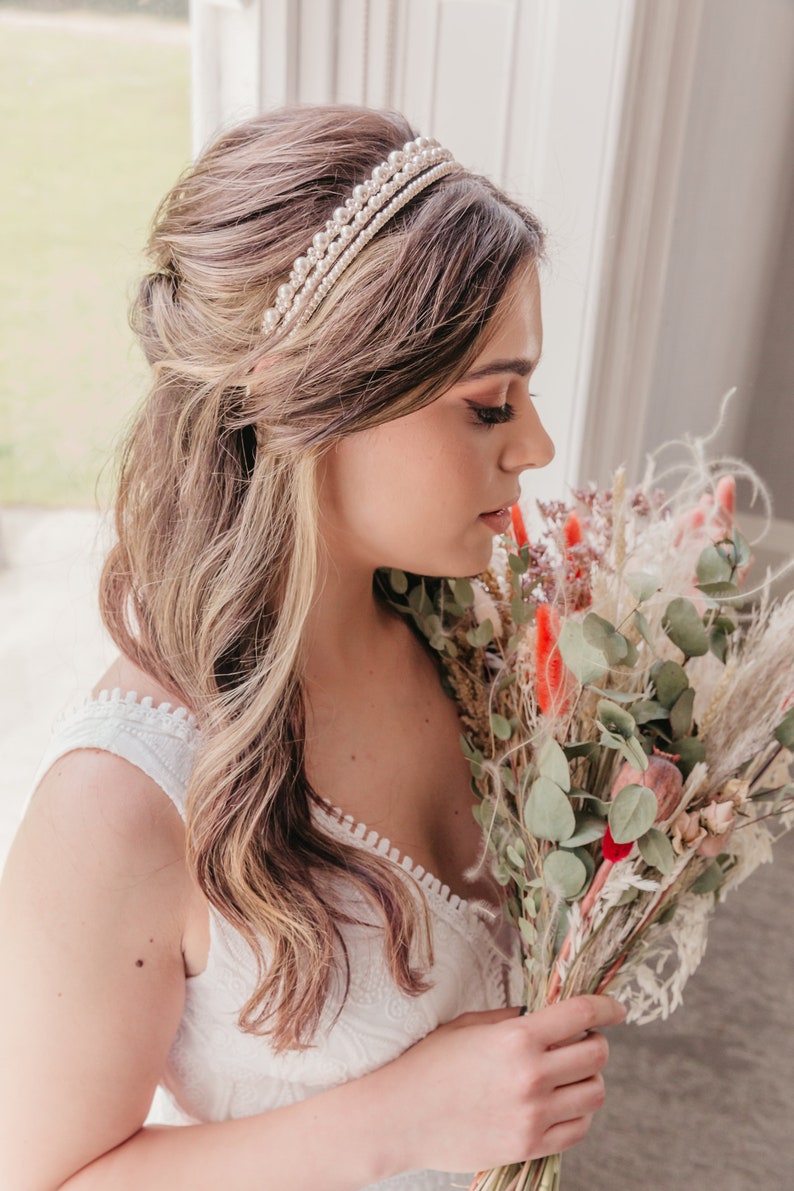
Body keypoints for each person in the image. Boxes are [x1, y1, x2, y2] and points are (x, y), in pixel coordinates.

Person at [0, 105, 625, 1191]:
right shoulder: (120, 802)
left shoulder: (478, 641)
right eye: (490, 406)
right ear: (311, 395)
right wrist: (403, 1120)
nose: (536, 445)